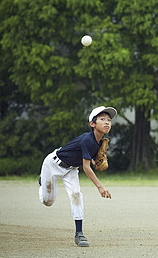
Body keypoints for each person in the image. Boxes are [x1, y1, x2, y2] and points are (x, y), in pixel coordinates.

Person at [38, 106, 116, 247]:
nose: (107, 123)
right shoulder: (87, 139)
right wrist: (100, 187)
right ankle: (42, 182)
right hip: (53, 164)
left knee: (76, 194)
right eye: (102, 119)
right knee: (47, 201)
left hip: (71, 169)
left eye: (109, 120)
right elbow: (86, 168)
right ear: (92, 124)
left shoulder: (99, 142)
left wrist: (96, 161)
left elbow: (90, 161)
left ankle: (79, 234)